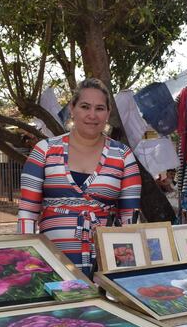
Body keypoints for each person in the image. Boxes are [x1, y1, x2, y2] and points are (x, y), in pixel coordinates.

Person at [17, 78, 142, 276]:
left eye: (100, 108)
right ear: (72, 108)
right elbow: (27, 214)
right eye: (85, 106)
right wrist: (28, 263)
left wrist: (126, 270)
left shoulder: (123, 156)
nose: (92, 115)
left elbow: (130, 219)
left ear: (108, 113)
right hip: (51, 266)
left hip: (106, 268)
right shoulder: (44, 151)